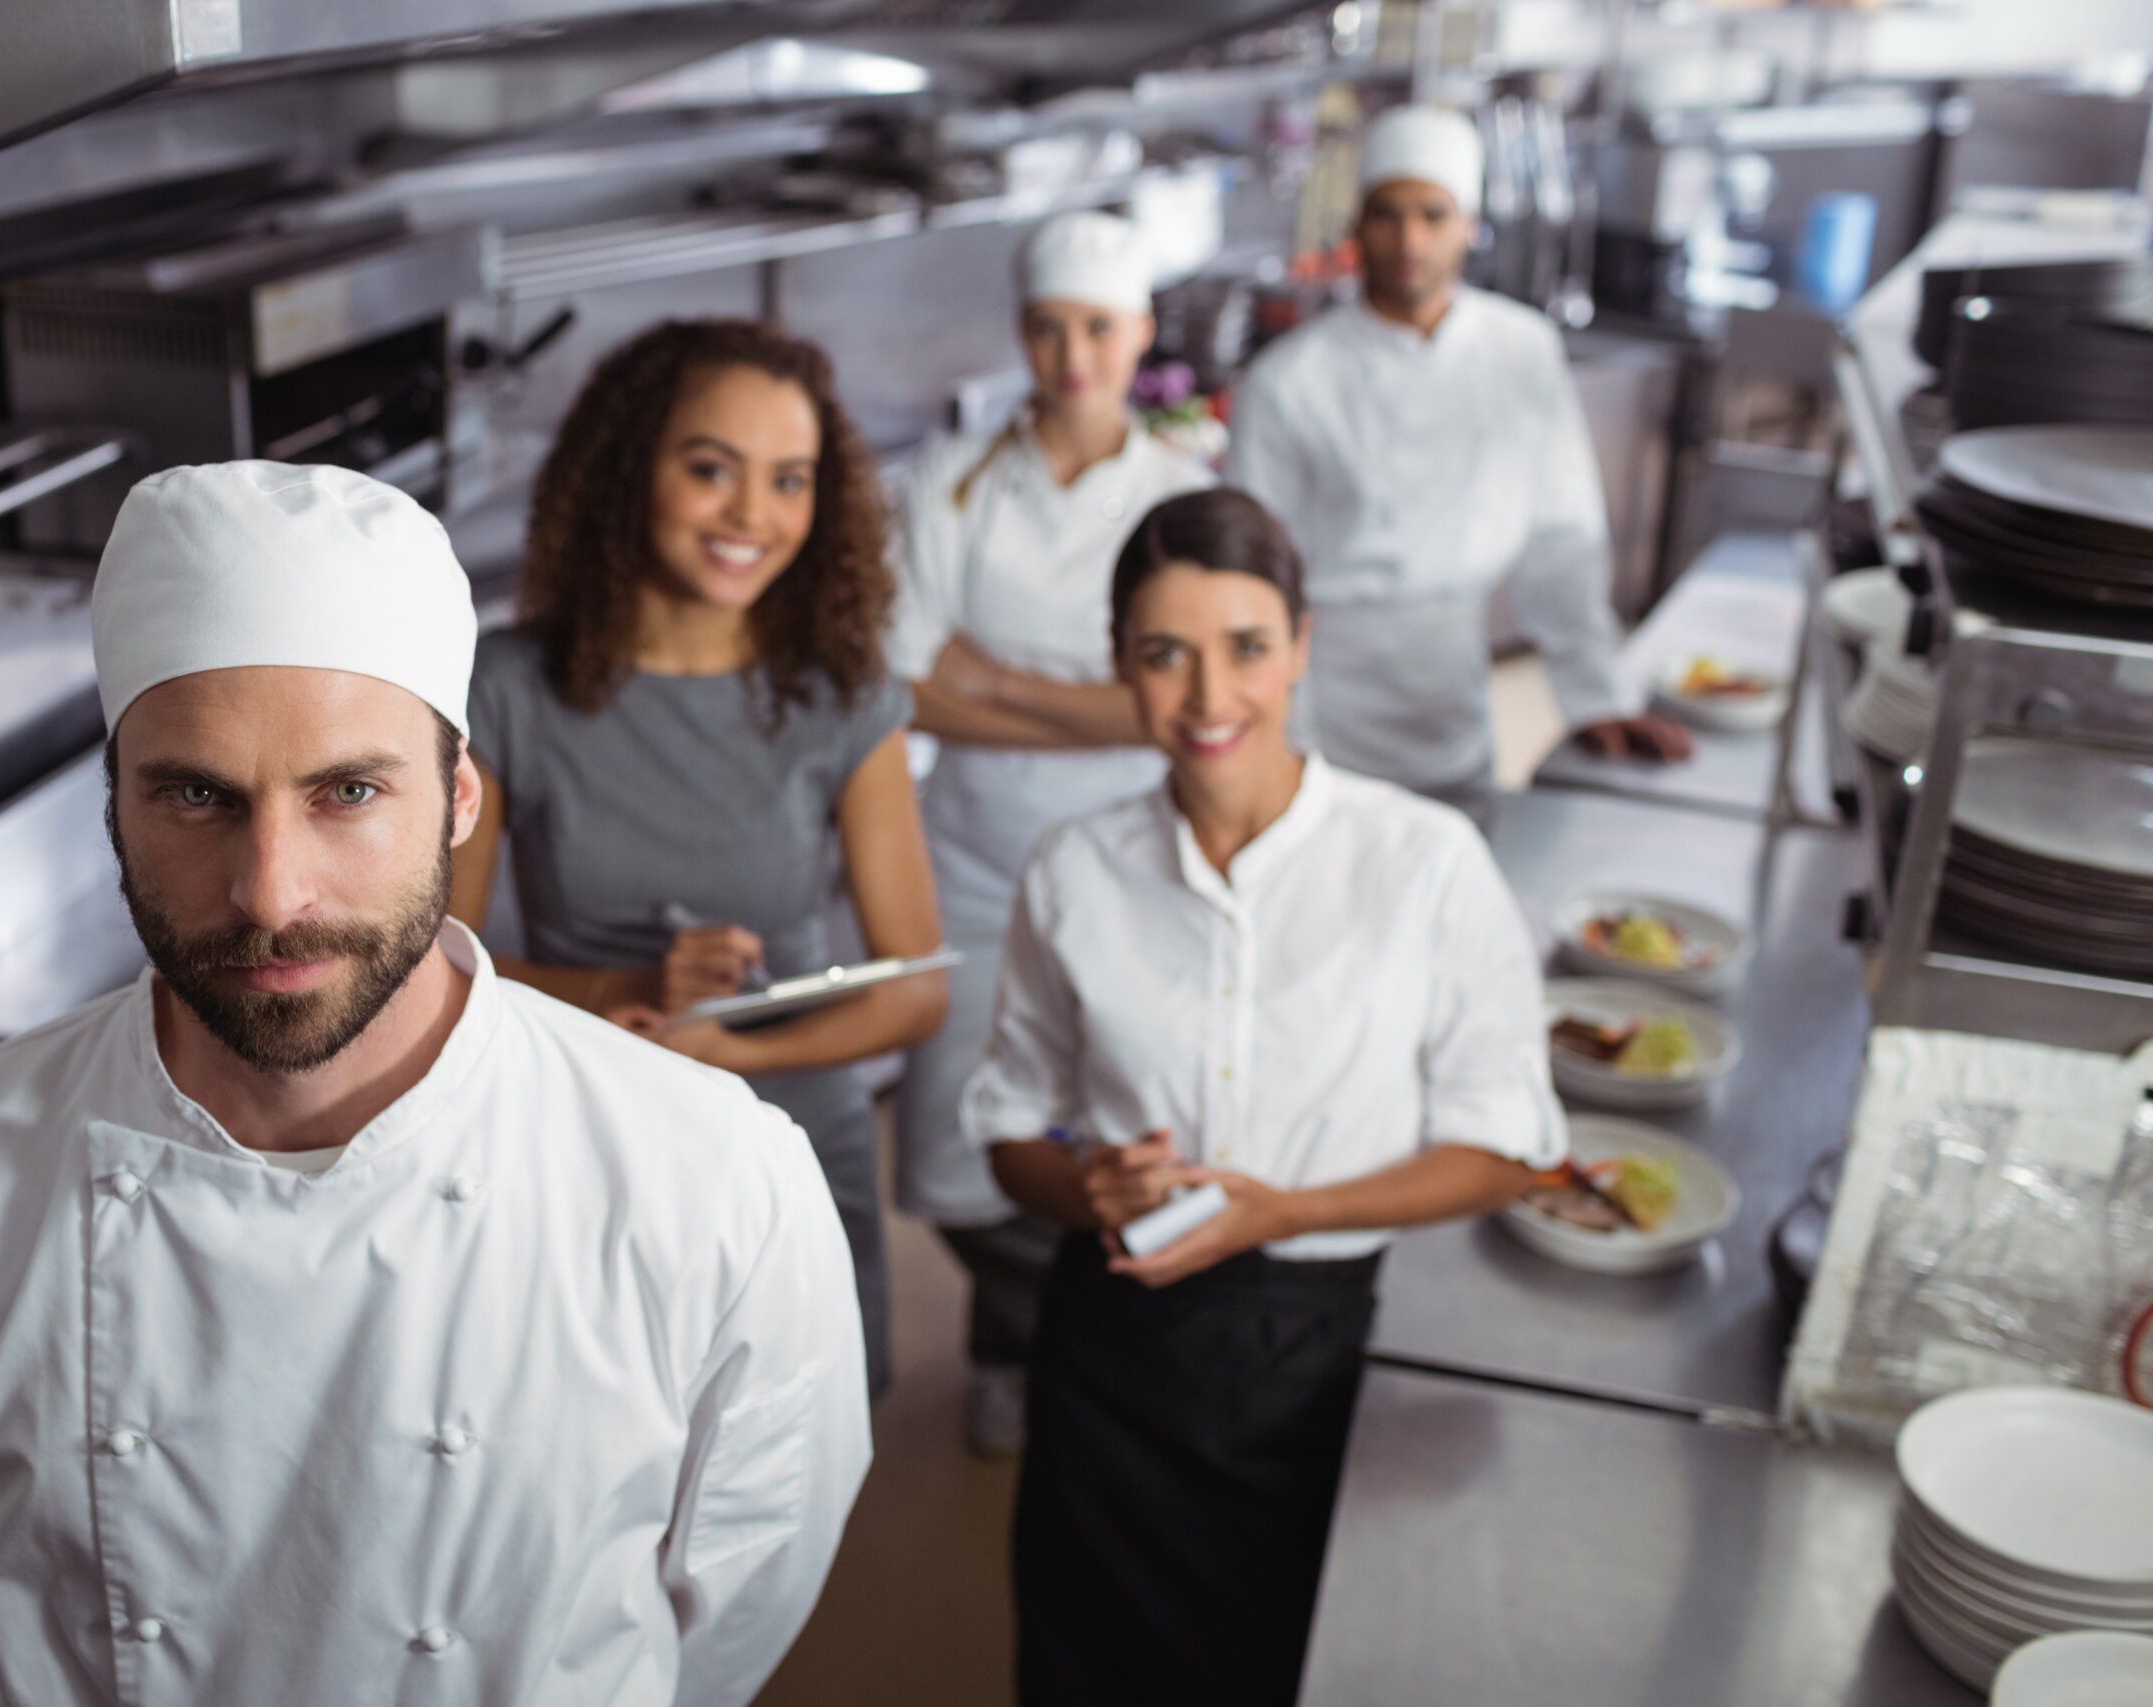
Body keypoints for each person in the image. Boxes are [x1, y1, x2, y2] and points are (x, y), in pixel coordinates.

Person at [0, 462, 870, 1707]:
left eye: (349, 793)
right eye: (197, 796)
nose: (271, 893)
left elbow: (733, 1608)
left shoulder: (712, 1181)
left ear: (460, 803)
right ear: (114, 808)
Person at [967, 487, 1565, 1705]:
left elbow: (1510, 1145)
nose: (1207, 698)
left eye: (1245, 649)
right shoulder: (1074, 871)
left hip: (1324, 1345)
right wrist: (1087, 1190)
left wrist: (1278, 1213)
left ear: (1300, 642)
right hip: (1117, 1348)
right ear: (1119, 666)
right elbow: (1009, 1126)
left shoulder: (1422, 861)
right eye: (1163, 656)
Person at [449, 319, 947, 1399]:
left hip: (791, 1153)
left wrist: (740, 1057)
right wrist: (626, 991)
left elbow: (914, 991)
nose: (752, 517)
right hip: (582, 1143)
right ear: (630, 467)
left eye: (789, 480)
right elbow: (429, 965)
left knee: (787, 1495)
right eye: (711, 469)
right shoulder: (502, 689)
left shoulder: (844, 697)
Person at [886, 210, 1214, 1456]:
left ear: (1138, 334)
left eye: (1097, 328)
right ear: (1020, 334)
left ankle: (1074, 1352)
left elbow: (1177, 708)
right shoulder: (952, 478)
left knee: (1121, 1113)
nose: (1071, 355)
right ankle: (1014, 1329)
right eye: (1046, 328)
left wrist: (998, 680)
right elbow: (903, 680)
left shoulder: (1183, 494)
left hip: (1130, 862)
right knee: (961, 1136)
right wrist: (1109, 706)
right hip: (962, 859)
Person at [1225, 104, 1690, 831]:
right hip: (1325, 706)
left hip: (1455, 702)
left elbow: (1562, 535)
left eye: (1433, 215)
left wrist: (1594, 694)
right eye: (1387, 213)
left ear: (1469, 225)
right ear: (1356, 224)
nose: (1409, 238)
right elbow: (1255, 583)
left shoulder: (1521, 350)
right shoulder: (1288, 381)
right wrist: (1284, 745)